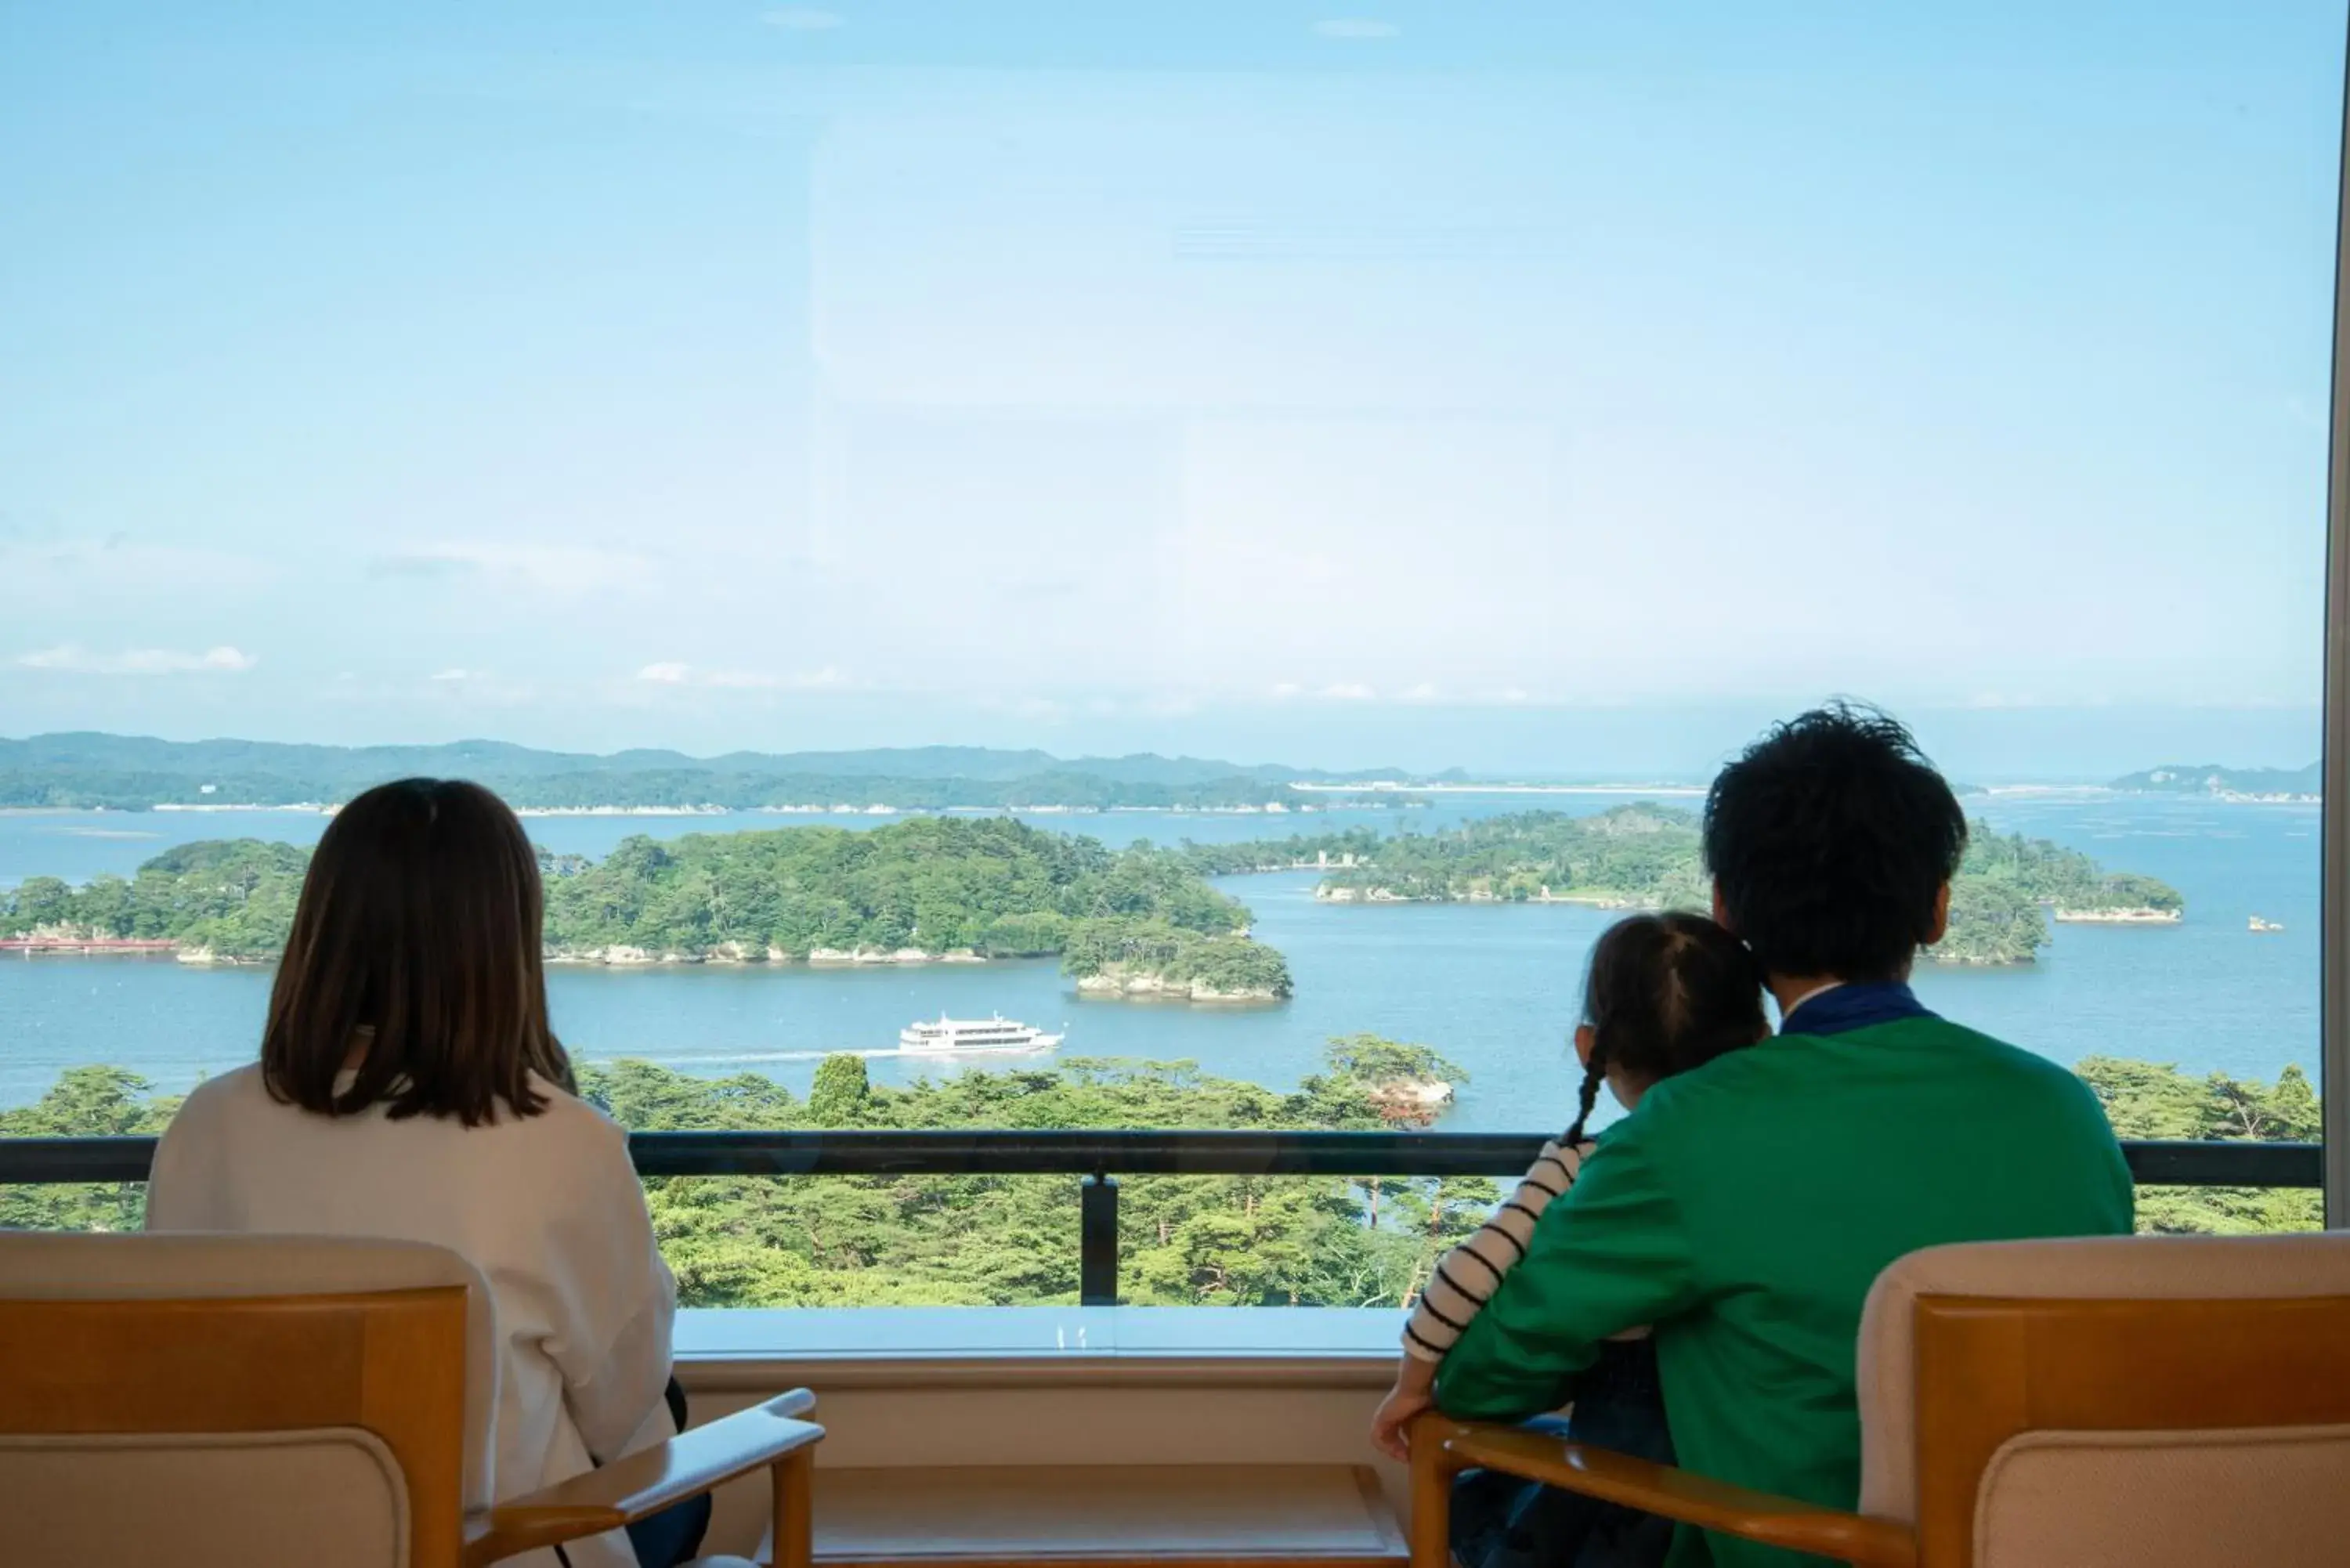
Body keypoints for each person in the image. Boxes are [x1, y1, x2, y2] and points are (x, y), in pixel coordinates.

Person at [1430, 704, 2135, 1568]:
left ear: (1726, 911)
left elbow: (1487, 1375)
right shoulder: (2063, 1110)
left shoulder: (1690, 1126)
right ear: (1938, 910)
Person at [146, 778, 704, 1568]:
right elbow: (623, 1404)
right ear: (508, 942)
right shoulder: (564, 1144)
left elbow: (173, 1372)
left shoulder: (208, 1123)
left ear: (324, 929)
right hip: (492, 1546)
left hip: (251, 1541)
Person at [1371, 912, 1770, 1568]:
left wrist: (1412, 1386)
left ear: (1591, 1048)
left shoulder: (1587, 1167)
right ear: (1760, 1038)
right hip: (1745, 1498)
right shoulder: (1776, 1164)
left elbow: (1467, 1276)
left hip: (1625, 1497)